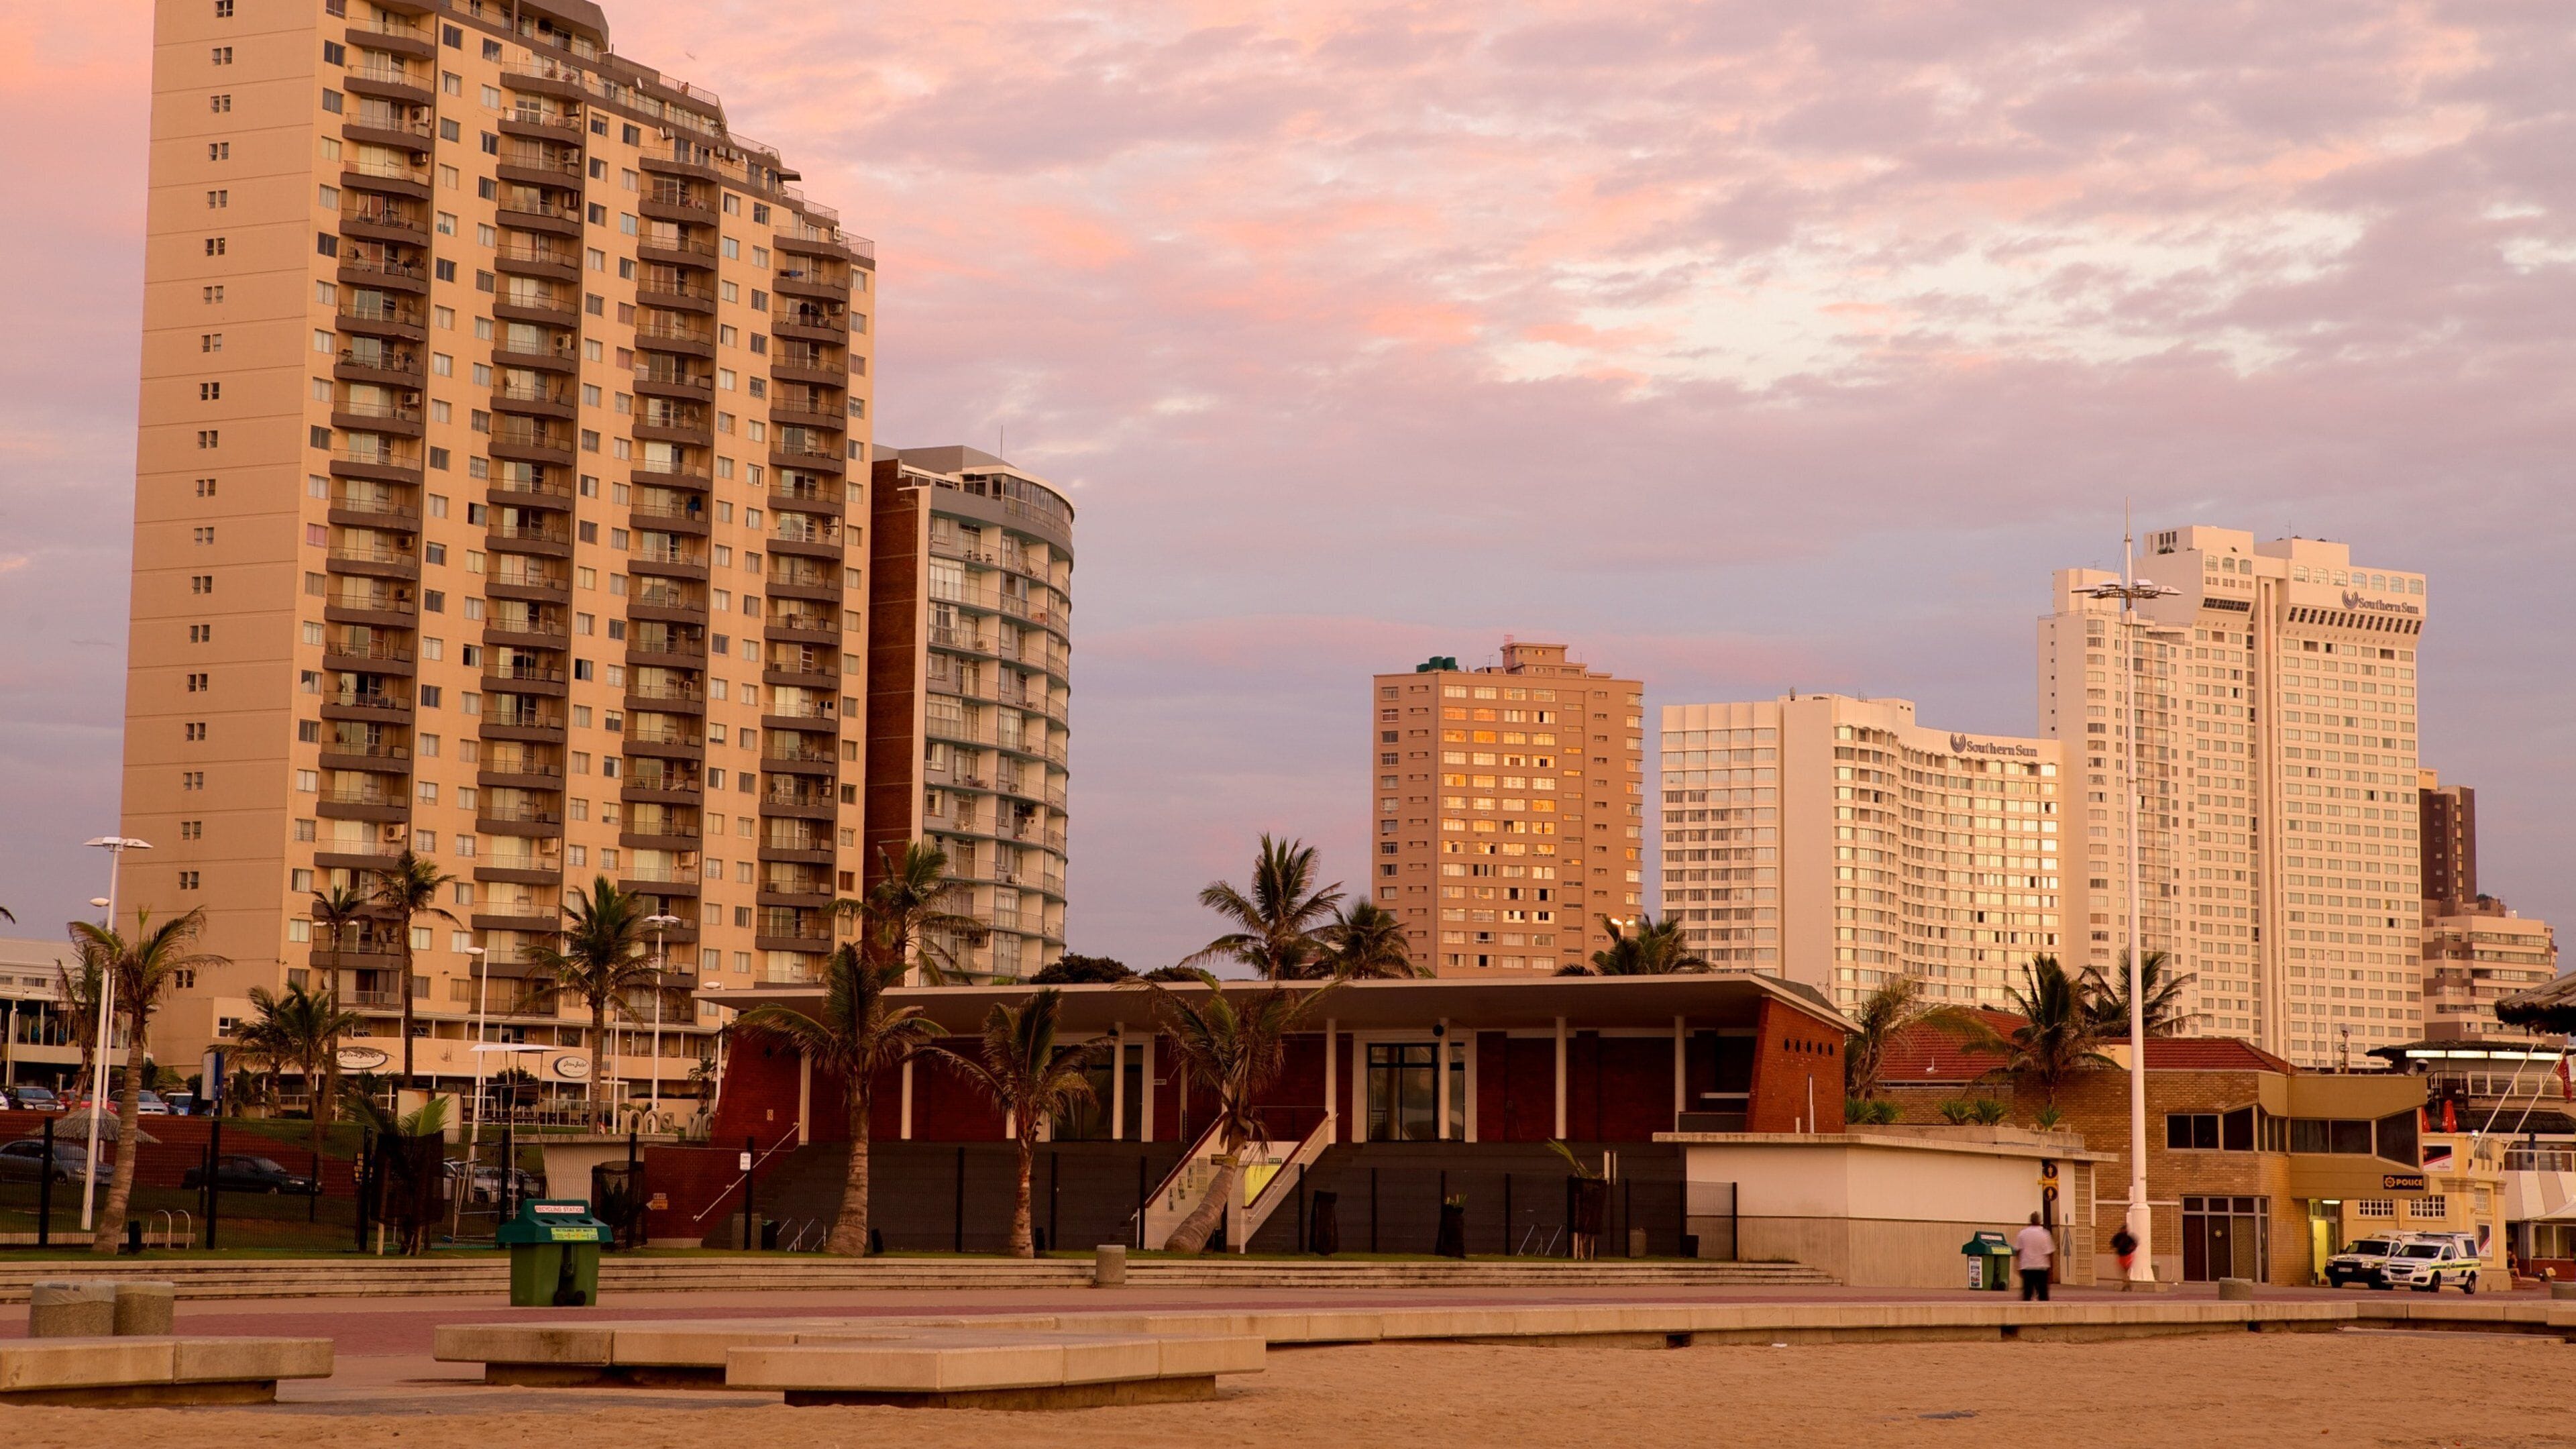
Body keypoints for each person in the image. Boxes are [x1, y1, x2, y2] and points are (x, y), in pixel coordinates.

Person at [2014, 1212, 2057, 1301]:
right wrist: (2051, 1269)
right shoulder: (2045, 1234)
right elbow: (2050, 1253)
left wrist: (2018, 1265)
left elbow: (2018, 1251)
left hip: (2027, 1267)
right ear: (2040, 1221)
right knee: (2043, 1295)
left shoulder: (2022, 1233)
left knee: (2027, 1294)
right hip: (2042, 1268)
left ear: (2030, 1221)